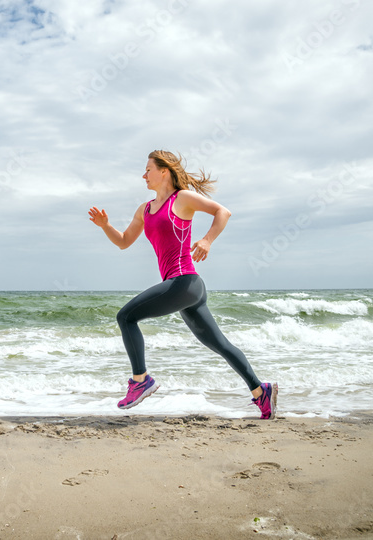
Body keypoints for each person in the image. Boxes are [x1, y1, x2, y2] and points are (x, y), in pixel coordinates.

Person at [88, 150, 277, 419]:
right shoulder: (145, 210)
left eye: (148, 169)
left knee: (126, 316)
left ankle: (140, 380)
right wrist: (105, 226)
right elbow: (123, 241)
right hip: (184, 288)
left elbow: (223, 212)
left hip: (185, 282)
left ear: (163, 171)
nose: (144, 175)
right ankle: (261, 391)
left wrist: (207, 240)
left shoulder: (182, 199)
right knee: (219, 344)